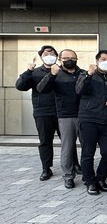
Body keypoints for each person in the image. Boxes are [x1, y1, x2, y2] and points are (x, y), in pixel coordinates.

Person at [76, 50, 107, 195]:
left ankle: (100, 179)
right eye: (103, 59)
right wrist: (88, 75)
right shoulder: (86, 74)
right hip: (88, 120)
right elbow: (79, 90)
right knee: (88, 153)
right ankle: (90, 182)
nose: (106, 62)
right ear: (97, 61)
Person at [37, 49, 83, 189]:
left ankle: (87, 174)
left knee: (87, 147)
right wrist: (51, 74)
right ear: (60, 59)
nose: (70, 60)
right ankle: (68, 176)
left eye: (73, 57)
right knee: (67, 148)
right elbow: (41, 88)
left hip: (84, 114)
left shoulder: (83, 73)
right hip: (66, 115)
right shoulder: (56, 74)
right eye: (66, 57)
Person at [15, 45, 61, 181]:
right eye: (46, 53)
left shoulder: (62, 71)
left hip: (62, 111)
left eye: (52, 53)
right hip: (43, 112)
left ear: (57, 56)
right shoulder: (34, 72)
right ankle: (46, 168)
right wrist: (28, 70)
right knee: (45, 141)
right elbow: (20, 86)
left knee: (68, 141)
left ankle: (74, 165)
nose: (50, 55)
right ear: (41, 56)